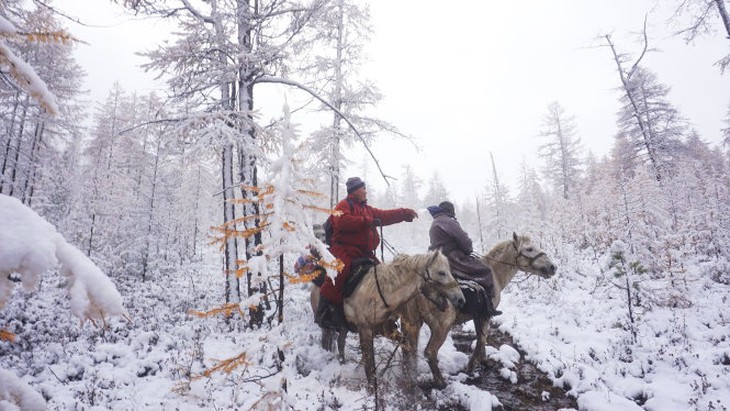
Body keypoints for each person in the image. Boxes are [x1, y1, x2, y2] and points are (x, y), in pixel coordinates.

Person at [316, 177, 419, 330]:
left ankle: (382, 315)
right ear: (355, 191)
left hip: (363, 253)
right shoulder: (344, 205)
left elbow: (385, 216)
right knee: (339, 274)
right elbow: (342, 221)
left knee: (382, 275)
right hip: (344, 249)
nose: (365, 191)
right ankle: (325, 312)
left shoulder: (367, 209)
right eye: (363, 189)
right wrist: (367, 221)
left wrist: (404, 214)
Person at [427, 201, 501, 316]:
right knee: (485, 270)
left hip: (437, 260)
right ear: (450, 211)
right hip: (453, 259)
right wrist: (468, 250)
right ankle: (488, 306)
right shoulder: (448, 221)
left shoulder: (435, 222)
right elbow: (464, 241)